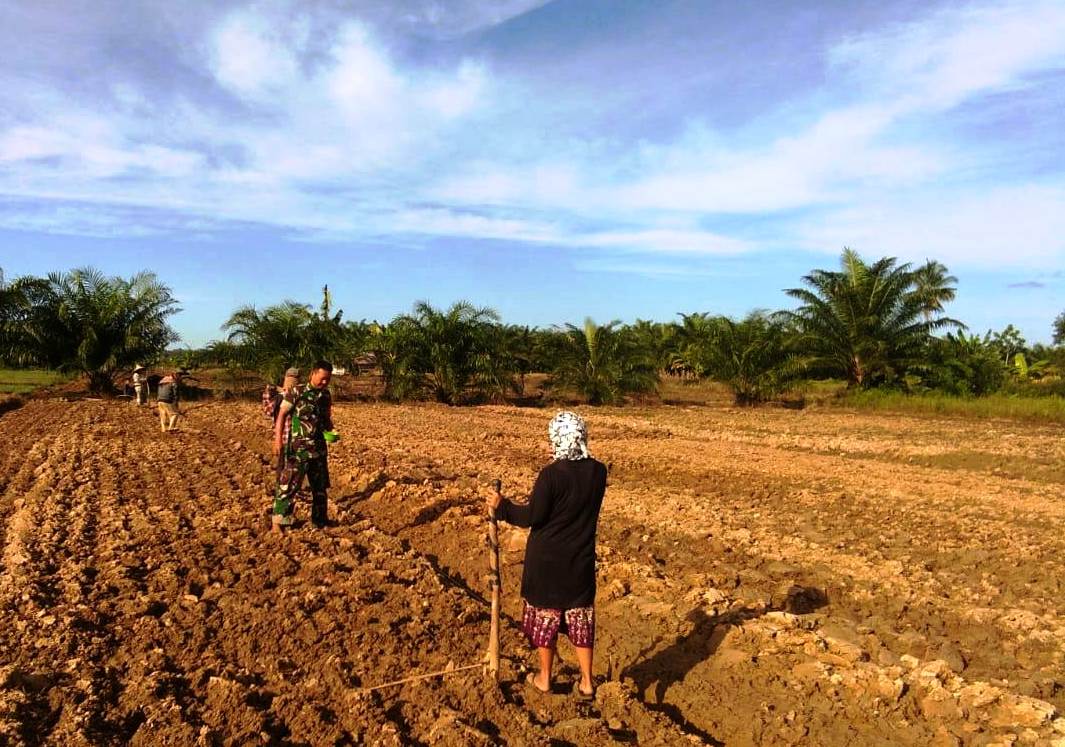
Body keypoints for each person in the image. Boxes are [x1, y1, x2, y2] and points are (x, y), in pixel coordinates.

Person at [486, 411, 608, 699]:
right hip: (580, 560)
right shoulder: (598, 471)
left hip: (548, 563)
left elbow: (532, 516)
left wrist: (502, 506)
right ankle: (587, 682)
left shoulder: (552, 475)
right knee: (580, 618)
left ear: (557, 438)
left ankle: (544, 678)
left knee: (547, 620)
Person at [272, 360, 335, 531]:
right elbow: (282, 415)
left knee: (320, 487)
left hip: (319, 449)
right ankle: (278, 521)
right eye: (322, 378)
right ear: (312, 374)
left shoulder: (325, 395)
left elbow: (326, 418)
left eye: (327, 379)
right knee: (289, 484)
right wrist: (278, 440)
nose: (324, 382)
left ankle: (320, 520)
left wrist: (331, 431)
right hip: (298, 449)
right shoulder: (296, 392)